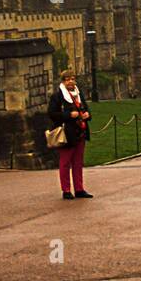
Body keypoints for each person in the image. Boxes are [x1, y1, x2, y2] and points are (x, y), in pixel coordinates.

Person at [48, 70, 92, 200]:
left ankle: (79, 189)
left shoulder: (79, 94)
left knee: (78, 163)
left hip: (80, 132)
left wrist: (87, 115)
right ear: (63, 81)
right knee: (65, 162)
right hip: (67, 133)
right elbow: (52, 114)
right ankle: (66, 190)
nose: (71, 81)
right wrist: (68, 115)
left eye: (72, 79)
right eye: (67, 79)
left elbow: (86, 108)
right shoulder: (57, 96)